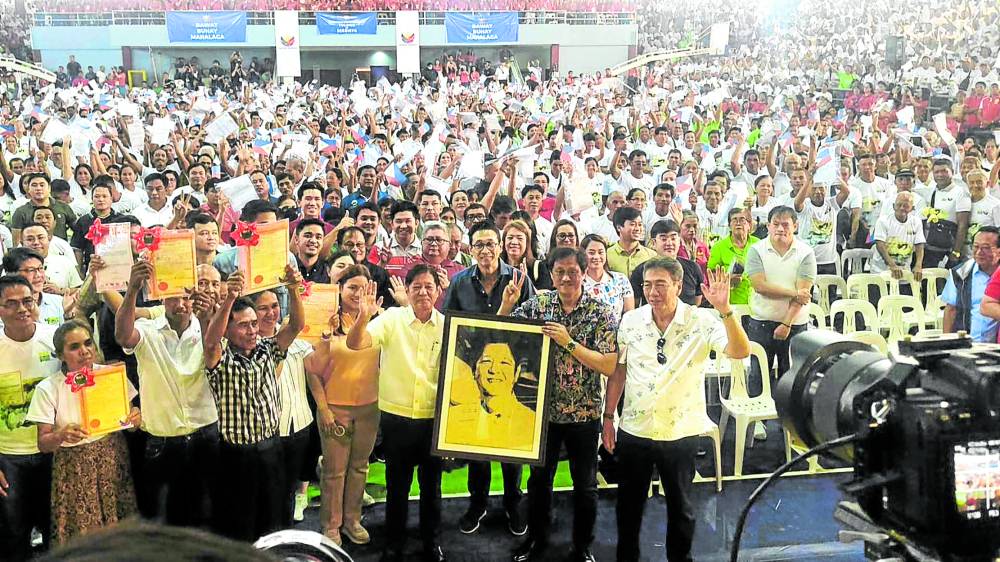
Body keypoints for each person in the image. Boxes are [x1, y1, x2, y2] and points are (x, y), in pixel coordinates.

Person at [605, 259, 750, 561]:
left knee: (681, 508)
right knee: (628, 507)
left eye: (660, 284)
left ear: (678, 286)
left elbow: (740, 351)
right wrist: (608, 418)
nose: (652, 292)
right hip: (635, 428)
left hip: (681, 430)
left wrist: (725, 310)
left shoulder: (703, 320)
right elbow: (619, 371)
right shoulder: (630, 321)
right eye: (647, 285)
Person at [500, 247, 619, 562]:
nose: (566, 277)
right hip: (543, 413)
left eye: (572, 270)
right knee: (538, 482)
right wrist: (505, 306)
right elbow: (500, 334)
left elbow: (608, 364)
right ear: (550, 274)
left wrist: (568, 341)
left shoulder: (600, 311)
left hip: (585, 413)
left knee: (585, 486)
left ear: (583, 271)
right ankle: (536, 540)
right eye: (559, 272)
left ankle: (582, 547)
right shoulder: (539, 304)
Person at [347, 264, 447, 562]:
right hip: (396, 420)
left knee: (432, 488)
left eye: (429, 286)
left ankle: (431, 542)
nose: (423, 292)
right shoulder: (391, 319)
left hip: (432, 419)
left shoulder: (447, 326)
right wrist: (364, 315)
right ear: (407, 289)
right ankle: (394, 543)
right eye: (416, 286)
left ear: (438, 291)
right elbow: (356, 344)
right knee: (397, 487)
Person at [444, 221, 534, 536]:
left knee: (512, 446)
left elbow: (531, 328)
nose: (485, 250)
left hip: (507, 372)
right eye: (478, 244)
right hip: (475, 373)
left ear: (500, 245)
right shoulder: (458, 283)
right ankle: (477, 503)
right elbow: (451, 330)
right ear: (470, 249)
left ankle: (513, 503)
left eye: (490, 243)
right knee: (476, 445)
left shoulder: (519, 279)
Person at [203, 265, 305, 542]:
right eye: (243, 325)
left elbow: (296, 326)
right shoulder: (221, 359)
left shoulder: (268, 348)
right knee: (240, 523)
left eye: (253, 323)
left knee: (274, 519)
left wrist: (295, 288)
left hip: (272, 448)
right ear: (229, 329)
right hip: (235, 456)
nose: (252, 330)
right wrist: (229, 299)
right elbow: (211, 342)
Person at [115, 259, 220, 527]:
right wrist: (132, 290)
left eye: (186, 297)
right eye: (173, 298)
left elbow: (215, 352)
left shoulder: (207, 329)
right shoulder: (148, 332)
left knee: (204, 513)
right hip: (163, 441)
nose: (181, 304)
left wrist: (210, 315)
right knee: (161, 518)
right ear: (161, 298)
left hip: (204, 433)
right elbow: (123, 335)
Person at [27, 320, 141, 545]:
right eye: (74, 347)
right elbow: (43, 442)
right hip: (74, 466)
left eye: (88, 343)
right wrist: (60, 436)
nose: (84, 351)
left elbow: (133, 418)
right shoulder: (48, 388)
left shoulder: (111, 376)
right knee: (83, 532)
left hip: (112, 456)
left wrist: (136, 417)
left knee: (119, 524)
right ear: (60, 355)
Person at [304, 265, 380, 546]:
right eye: (352, 288)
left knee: (360, 467)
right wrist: (322, 408)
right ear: (340, 289)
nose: (358, 294)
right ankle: (331, 525)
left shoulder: (378, 320)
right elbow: (312, 370)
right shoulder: (326, 322)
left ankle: (352, 520)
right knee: (334, 471)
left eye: (364, 288)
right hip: (334, 407)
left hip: (369, 408)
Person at [0, 275, 62, 561]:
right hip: (8, 458)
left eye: (27, 300)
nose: (22, 309)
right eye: (11, 304)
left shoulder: (55, 342)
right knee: (14, 534)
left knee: (56, 531)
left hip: (54, 453)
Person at [250, 289, 315, 526]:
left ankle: (285, 535)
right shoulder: (248, 346)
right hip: (268, 431)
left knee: (288, 489)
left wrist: (326, 339)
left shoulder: (296, 340)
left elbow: (317, 368)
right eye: (263, 308)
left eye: (275, 306)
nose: (271, 313)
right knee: (266, 491)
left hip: (299, 424)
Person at [745, 206, 816, 401]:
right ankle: (758, 419)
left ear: (795, 225)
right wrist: (793, 292)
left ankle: (788, 421)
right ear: (768, 226)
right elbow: (759, 286)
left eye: (785, 224)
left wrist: (786, 323)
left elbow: (804, 294)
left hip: (795, 324)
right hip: (761, 321)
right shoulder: (756, 250)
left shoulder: (806, 253)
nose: (780, 229)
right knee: (758, 373)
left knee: (792, 375)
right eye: (775, 224)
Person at [445, 335, 536, 451]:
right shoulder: (452, 419)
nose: (493, 369)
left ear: (516, 372)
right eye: (487, 361)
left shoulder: (531, 422)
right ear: (474, 370)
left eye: (504, 363)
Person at [949, 227, 1000, 342]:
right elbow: (951, 310)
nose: (979, 252)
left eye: (986, 248)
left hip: (995, 346)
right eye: (976, 247)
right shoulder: (961, 273)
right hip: (968, 343)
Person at [707, 208, 760, 305]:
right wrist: (728, 280)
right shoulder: (719, 247)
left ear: (749, 225)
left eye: (742, 220)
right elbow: (712, 277)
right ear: (729, 226)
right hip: (730, 304)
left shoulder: (759, 244)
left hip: (756, 303)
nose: (738, 223)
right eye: (734, 220)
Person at [871, 191, 926, 281]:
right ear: (893, 206)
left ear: (912, 208)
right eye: (899, 205)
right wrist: (892, 265)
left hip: (905, 273)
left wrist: (918, 265)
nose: (901, 208)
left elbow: (919, 245)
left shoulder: (916, 222)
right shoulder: (883, 221)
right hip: (881, 272)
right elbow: (880, 245)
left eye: (906, 206)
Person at [580, 234, 634, 317]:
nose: (596, 257)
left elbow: (629, 314)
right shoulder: (578, 282)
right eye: (591, 253)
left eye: (600, 252)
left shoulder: (621, 279)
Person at [607, 207, 656, 277]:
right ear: (619, 227)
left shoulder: (651, 256)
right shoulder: (607, 255)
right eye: (632, 224)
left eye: (640, 224)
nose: (637, 229)